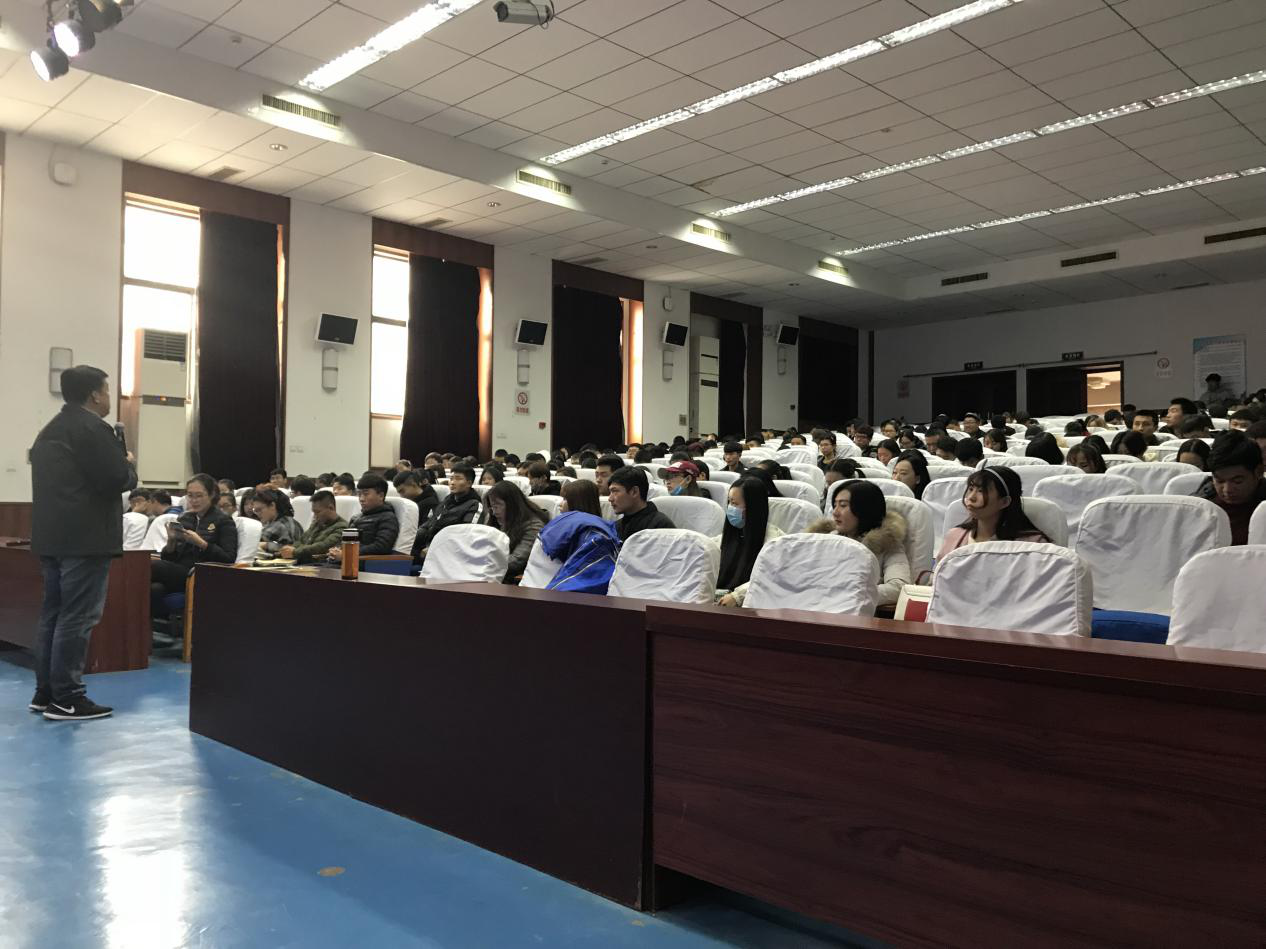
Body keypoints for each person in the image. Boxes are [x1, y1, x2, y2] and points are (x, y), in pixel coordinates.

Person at [28, 365, 137, 721]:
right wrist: (128, 465)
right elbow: (116, 479)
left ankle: (45, 692)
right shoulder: (92, 428)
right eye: (106, 390)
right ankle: (68, 697)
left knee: (53, 615)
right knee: (77, 618)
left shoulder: (50, 429)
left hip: (52, 536)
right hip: (85, 538)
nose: (108, 397)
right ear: (94, 394)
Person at [150, 473, 238, 630]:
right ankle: (160, 632)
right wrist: (171, 541)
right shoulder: (186, 518)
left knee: (151, 566)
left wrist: (201, 543)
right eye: (190, 496)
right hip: (180, 573)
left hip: (203, 574)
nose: (194, 500)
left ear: (212, 495)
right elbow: (169, 558)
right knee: (154, 589)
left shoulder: (223, 521)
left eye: (199, 496)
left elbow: (229, 558)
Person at [813, 480, 910, 607]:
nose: (835, 512)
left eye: (843, 505)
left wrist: (848, 594)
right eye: (835, 505)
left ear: (864, 509)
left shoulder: (888, 543)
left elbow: (898, 587)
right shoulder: (827, 539)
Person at [937, 465, 1051, 559]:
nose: (971, 497)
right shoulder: (954, 536)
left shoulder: (1034, 546)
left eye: (981, 491)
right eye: (971, 489)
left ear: (1004, 502)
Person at [716, 478, 781, 607]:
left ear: (753, 507)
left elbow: (769, 578)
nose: (730, 508)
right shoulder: (730, 534)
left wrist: (738, 596)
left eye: (734, 503)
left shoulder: (774, 542)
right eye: (729, 502)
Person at [1192, 432, 1265, 545]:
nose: (1227, 490)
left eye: (1237, 481)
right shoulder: (1200, 505)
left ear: (1259, 472)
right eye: (1220, 481)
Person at [480, 480, 549, 583]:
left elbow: (516, 561)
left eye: (497, 506)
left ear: (512, 504)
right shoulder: (497, 519)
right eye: (492, 507)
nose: (494, 512)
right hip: (494, 574)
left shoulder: (533, 526)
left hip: (516, 580)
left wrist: (481, 565)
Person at [413, 463, 482, 559]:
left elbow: (465, 536)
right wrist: (412, 537)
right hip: (429, 546)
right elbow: (430, 523)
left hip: (449, 554)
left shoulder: (474, 505)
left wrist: (434, 548)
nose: (452, 482)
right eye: (451, 478)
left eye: (458, 479)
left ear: (469, 483)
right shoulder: (447, 500)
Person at [329, 473, 399, 563]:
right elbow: (344, 541)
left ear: (381, 496)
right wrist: (337, 549)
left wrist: (348, 553)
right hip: (345, 561)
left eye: (366, 494)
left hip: (365, 565)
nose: (361, 499)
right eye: (359, 494)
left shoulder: (388, 518)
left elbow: (381, 547)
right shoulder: (356, 518)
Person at [278, 490, 348, 564]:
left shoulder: (342, 527)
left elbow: (323, 547)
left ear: (331, 508)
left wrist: (295, 552)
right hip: (303, 562)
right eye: (313, 512)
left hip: (320, 565)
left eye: (317, 512)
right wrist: (288, 549)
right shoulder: (318, 522)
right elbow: (302, 540)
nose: (315, 516)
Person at [607, 467, 675, 541]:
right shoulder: (616, 526)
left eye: (615, 491)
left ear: (634, 492)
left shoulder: (661, 526)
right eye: (610, 492)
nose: (610, 499)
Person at [252, 487, 302, 555]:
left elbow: (290, 548)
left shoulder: (284, 525)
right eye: (255, 511)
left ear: (272, 505)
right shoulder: (272, 522)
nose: (257, 514)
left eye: (259, 510)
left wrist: (265, 545)